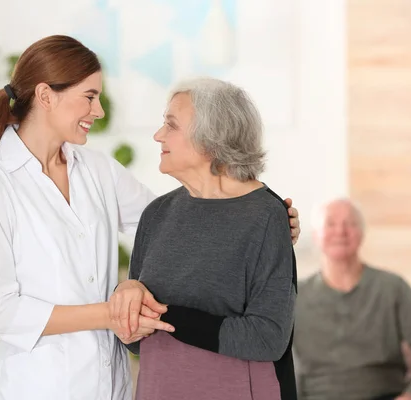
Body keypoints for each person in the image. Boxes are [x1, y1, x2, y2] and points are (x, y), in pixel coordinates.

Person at [0, 35, 301, 400]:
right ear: (45, 96)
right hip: (38, 386)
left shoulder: (97, 169)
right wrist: (113, 312)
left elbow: (182, 219)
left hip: (110, 384)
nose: (99, 110)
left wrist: (265, 217)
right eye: (89, 97)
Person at [110, 77, 298, 400]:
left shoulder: (266, 216)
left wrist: (165, 315)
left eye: (171, 125)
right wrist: (127, 302)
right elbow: (134, 338)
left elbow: (268, 336)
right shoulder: (156, 214)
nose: (158, 135)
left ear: (211, 139)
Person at [293, 199, 411, 400]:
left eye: (350, 223)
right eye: (330, 224)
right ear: (316, 235)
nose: (341, 231)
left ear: (361, 233)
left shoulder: (392, 288)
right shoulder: (295, 295)